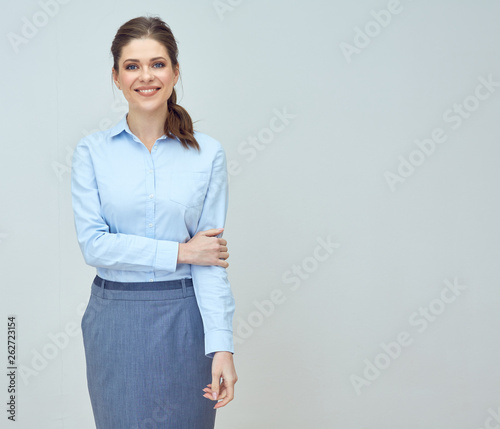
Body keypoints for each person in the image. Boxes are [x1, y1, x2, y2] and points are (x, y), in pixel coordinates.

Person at [71, 15, 237, 428]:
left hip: (186, 321)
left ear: (175, 71)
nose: (146, 76)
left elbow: (210, 260)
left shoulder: (208, 154)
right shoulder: (91, 153)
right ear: (116, 76)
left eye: (158, 64)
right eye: (132, 66)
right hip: (115, 320)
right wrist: (182, 251)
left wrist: (222, 345)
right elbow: (94, 245)